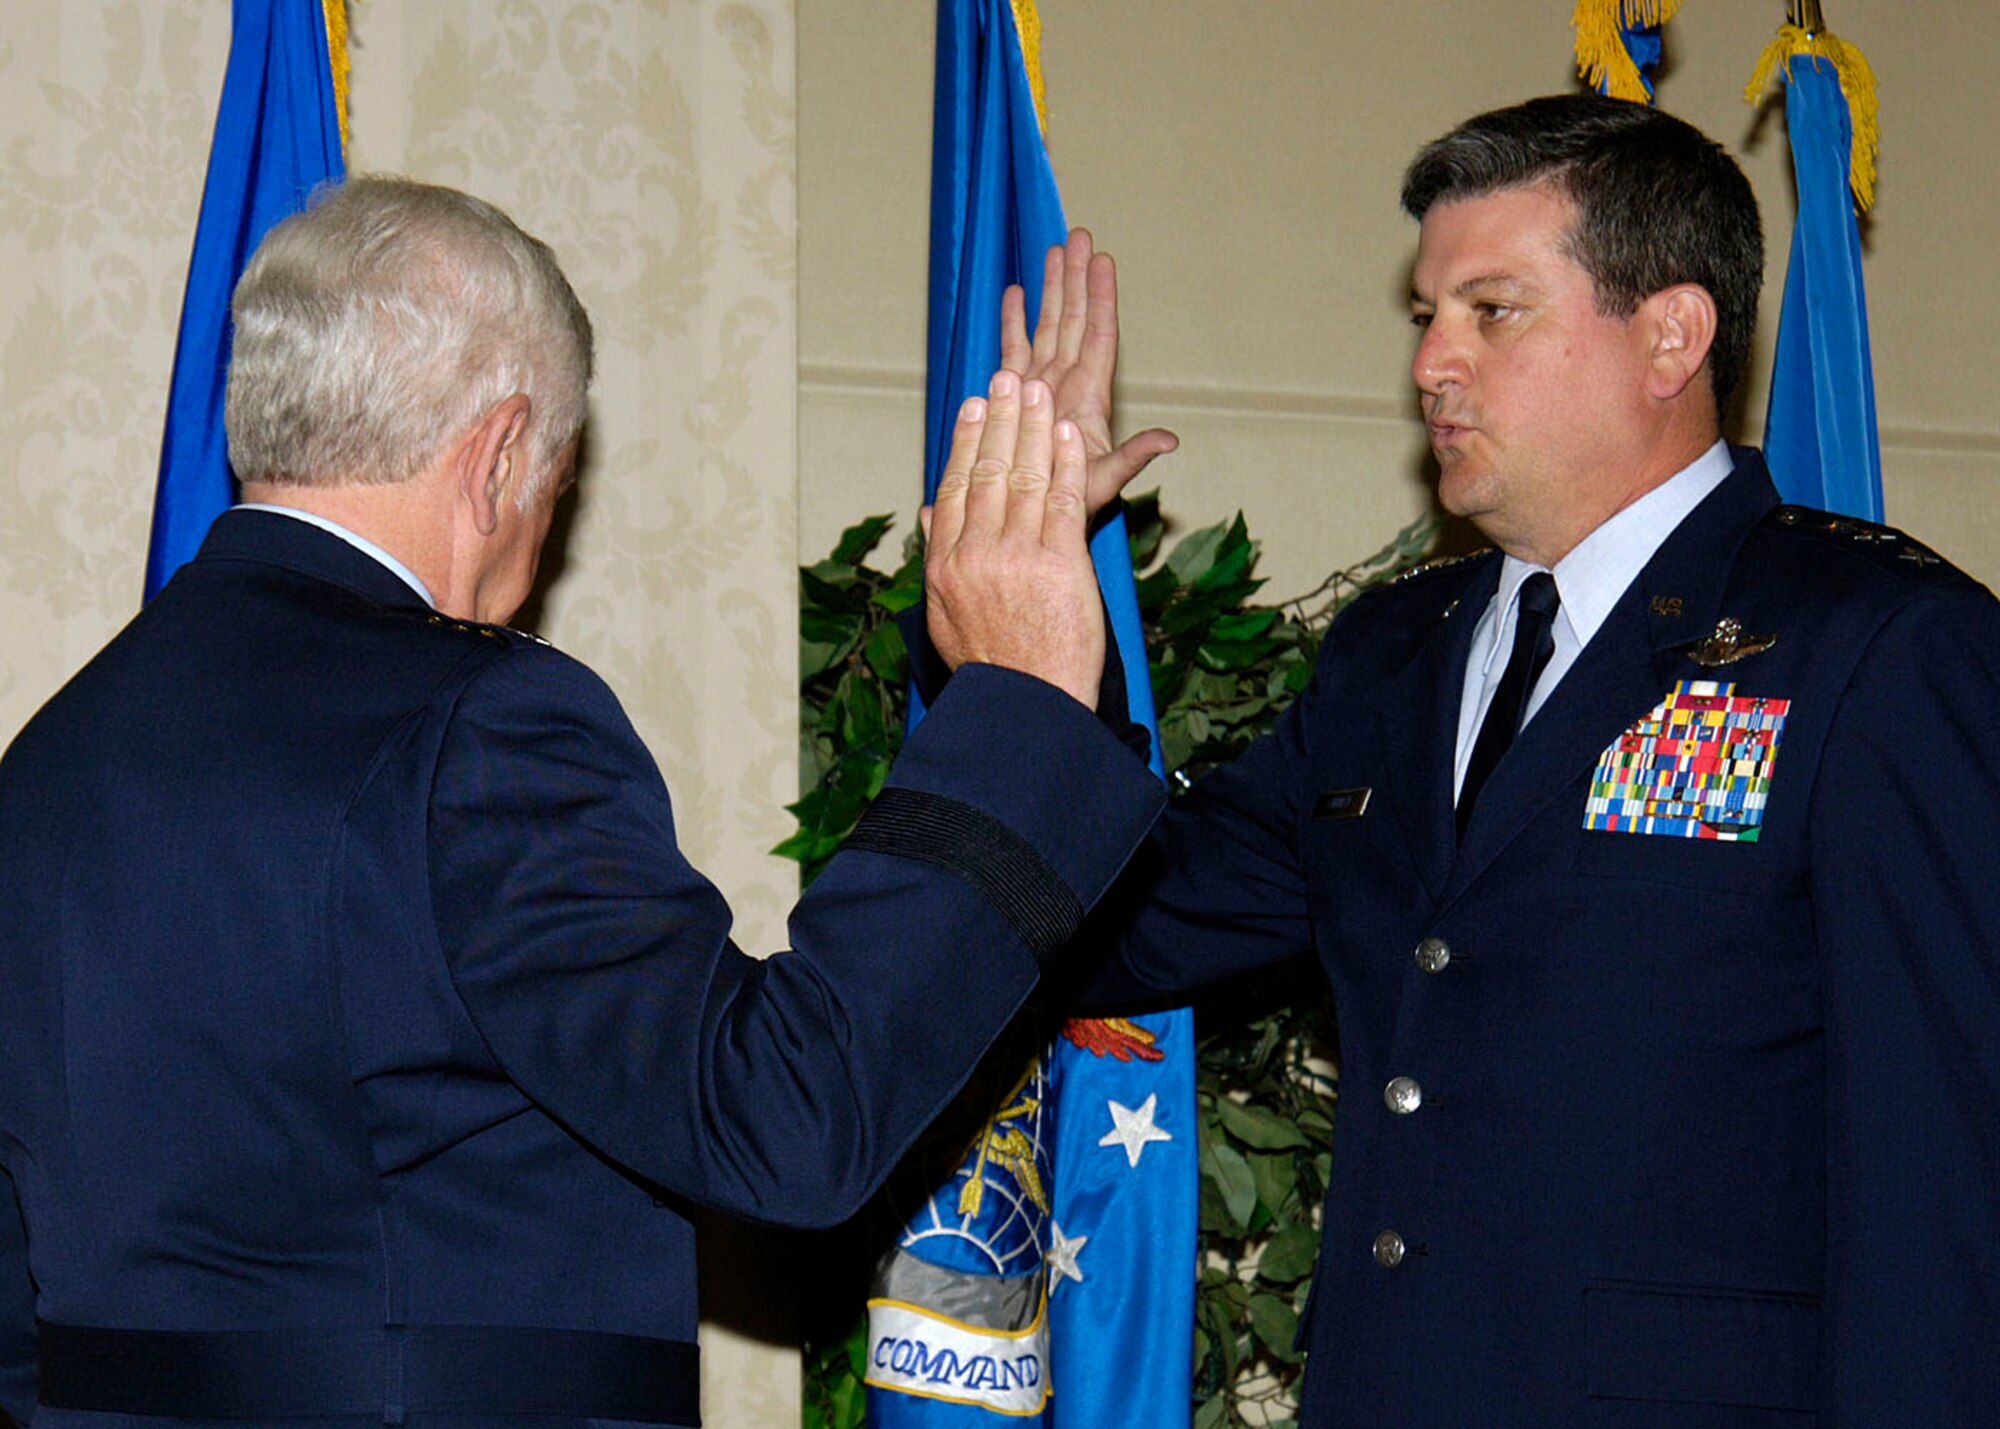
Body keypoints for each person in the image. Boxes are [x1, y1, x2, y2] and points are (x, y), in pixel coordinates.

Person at [0, 176, 1171, 1425]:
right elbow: (787, 1117)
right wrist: (1025, 694)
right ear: (503, 450)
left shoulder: (51, 760)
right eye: (558, 477)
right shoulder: (479, 727)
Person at [1018, 94, 2000, 1423]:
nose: (1432, 361)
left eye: (1492, 310)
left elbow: (1942, 1178)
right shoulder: (1392, 654)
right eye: (1427, 314)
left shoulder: (1873, 646)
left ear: (1671, 334)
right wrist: (1020, 616)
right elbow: (1116, 928)